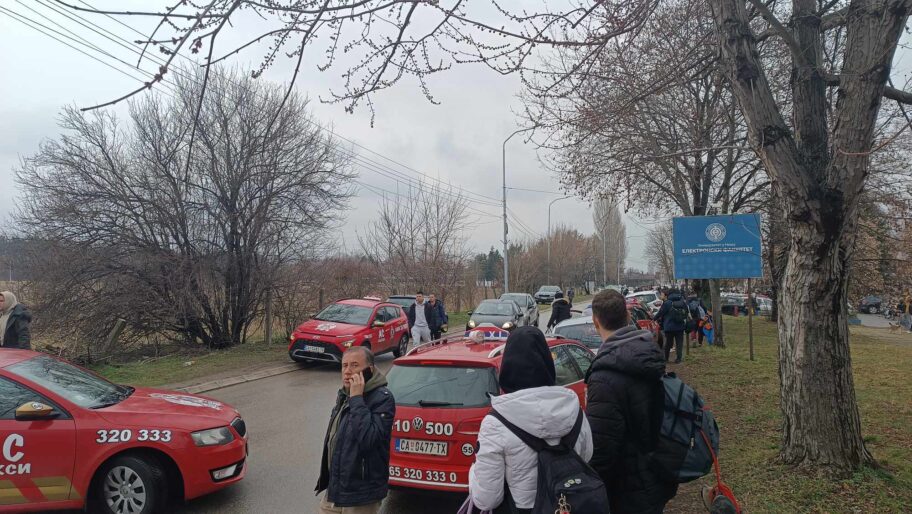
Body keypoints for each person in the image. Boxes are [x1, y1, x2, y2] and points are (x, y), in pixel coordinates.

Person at [468, 326, 593, 513]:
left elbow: (487, 500)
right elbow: (587, 456)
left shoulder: (496, 422)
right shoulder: (574, 408)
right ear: (547, 363)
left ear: (508, 366)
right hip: (570, 505)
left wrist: (472, 474)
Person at [586, 289, 676, 514]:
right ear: (627, 317)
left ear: (596, 322)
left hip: (626, 489)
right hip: (656, 474)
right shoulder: (647, 353)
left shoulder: (604, 376)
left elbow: (602, 449)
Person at [316, 346, 395, 514]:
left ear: (369, 369)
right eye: (344, 366)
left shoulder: (382, 398)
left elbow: (369, 439)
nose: (347, 371)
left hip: (361, 493)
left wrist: (357, 398)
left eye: (354, 365)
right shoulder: (344, 395)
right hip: (336, 487)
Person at [654, 288, 690, 364]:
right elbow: (686, 312)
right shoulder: (682, 302)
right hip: (680, 326)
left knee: (668, 344)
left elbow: (661, 313)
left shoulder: (667, 303)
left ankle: (666, 359)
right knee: (679, 343)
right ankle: (678, 359)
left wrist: (653, 319)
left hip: (669, 327)